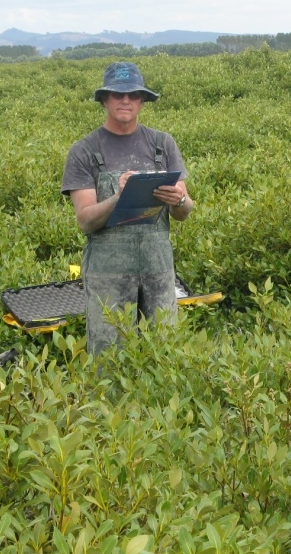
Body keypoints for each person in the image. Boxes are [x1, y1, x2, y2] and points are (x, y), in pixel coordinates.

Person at [62, 62, 194, 355]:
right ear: (105, 100)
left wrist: (180, 200)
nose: (126, 101)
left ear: (143, 101)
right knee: (109, 355)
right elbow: (85, 220)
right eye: (118, 94)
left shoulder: (163, 144)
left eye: (134, 95)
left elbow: (184, 211)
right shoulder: (84, 151)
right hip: (107, 272)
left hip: (157, 267)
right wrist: (117, 197)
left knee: (164, 349)